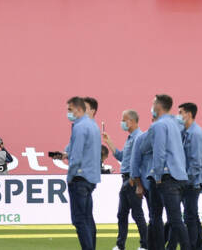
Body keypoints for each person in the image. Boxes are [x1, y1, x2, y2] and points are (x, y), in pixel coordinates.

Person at [136, 94, 190, 250]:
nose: (152, 107)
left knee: (169, 220)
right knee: (171, 220)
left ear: (158, 107)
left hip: (166, 177)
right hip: (179, 176)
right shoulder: (176, 123)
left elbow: (158, 152)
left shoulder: (158, 126)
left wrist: (158, 176)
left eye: (153, 104)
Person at [104, 108, 148, 249]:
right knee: (122, 214)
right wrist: (109, 142)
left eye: (124, 120)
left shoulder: (138, 137)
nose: (122, 123)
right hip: (126, 180)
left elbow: (140, 161)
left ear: (131, 121)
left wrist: (135, 180)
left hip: (132, 180)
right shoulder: (130, 138)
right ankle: (120, 245)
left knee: (137, 213)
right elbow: (122, 157)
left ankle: (145, 245)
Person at [62, 97, 101, 250]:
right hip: (91, 177)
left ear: (78, 109)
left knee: (79, 220)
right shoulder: (93, 125)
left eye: (69, 110)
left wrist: (70, 177)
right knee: (87, 218)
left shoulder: (79, 127)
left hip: (79, 177)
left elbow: (76, 157)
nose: (68, 113)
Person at [175, 103, 202, 250]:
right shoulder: (185, 131)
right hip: (189, 181)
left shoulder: (195, 133)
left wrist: (186, 180)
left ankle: (190, 246)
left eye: (180, 112)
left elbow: (196, 162)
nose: (178, 116)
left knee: (190, 217)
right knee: (193, 216)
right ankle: (199, 247)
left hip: (192, 182)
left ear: (188, 114)